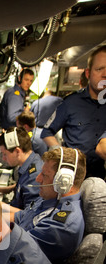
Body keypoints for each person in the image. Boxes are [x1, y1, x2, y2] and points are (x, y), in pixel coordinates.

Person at [8, 147, 86, 264]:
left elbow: (13, 250)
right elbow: (20, 217)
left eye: (44, 175)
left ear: (63, 182)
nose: (38, 179)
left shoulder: (61, 226)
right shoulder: (50, 198)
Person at [41, 45, 106, 179]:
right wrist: (62, 154)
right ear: (88, 74)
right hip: (72, 175)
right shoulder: (70, 103)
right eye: (99, 69)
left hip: (100, 176)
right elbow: (47, 132)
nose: (105, 74)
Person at [0, 127, 43, 209]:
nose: (3, 158)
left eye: (5, 154)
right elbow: (21, 186)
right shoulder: (31, 161)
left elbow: (28, 215)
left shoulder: (34, 177)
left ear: (17, 151)